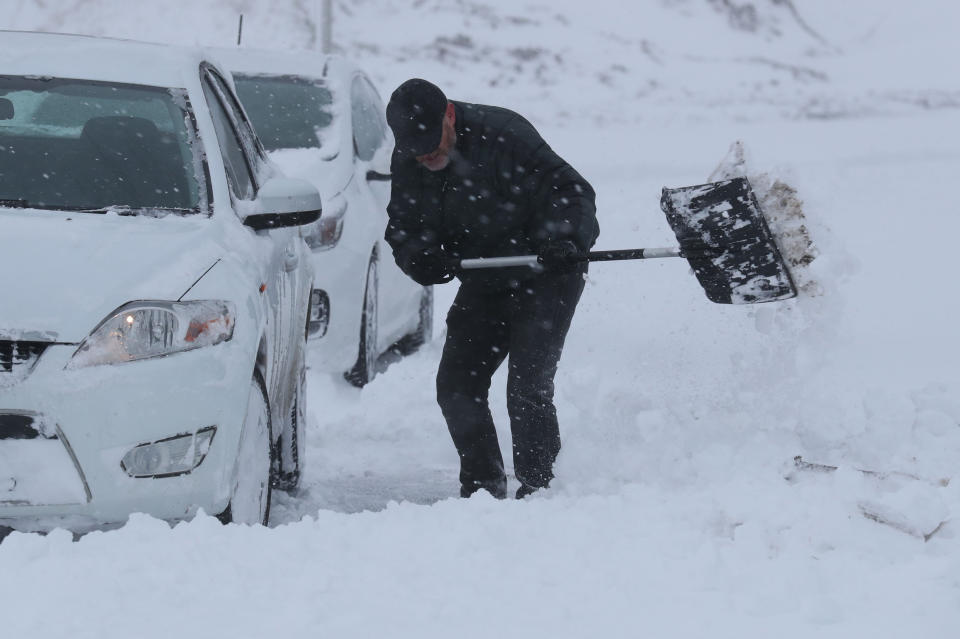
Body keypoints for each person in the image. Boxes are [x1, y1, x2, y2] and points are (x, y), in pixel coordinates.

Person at [384, 78, 599, 499]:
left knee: (527, 388)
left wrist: (564, 238)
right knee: (456, 386)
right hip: (485, 278)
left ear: (448, 114)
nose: (427, 156)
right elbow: (405, 227)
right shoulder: (411, 155)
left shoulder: (504, 133)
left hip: (547, 272)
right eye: (417, 150)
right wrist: (421, 257)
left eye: (433, 143)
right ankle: (483, 489)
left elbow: (571, 191)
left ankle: (541, 490)